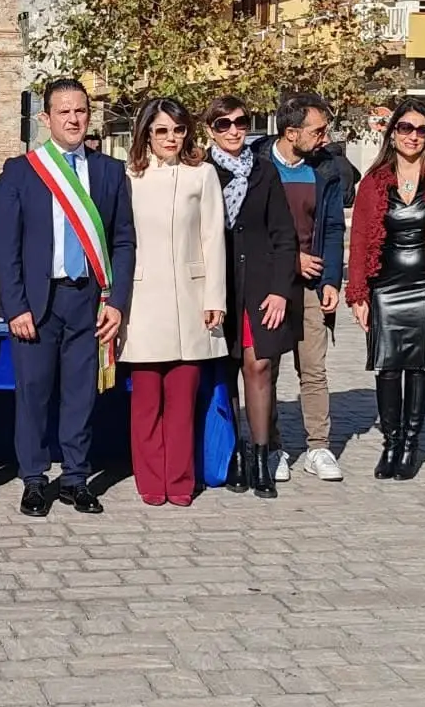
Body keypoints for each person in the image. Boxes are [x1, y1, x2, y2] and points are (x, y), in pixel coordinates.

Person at [0, 77, 136, 516]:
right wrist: (14, 305)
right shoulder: (21, 171)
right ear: (45, 118)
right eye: (64, 112)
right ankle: (34, 479)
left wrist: (117, 301)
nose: (74, 119)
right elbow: (4, 244)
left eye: (81, 111)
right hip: (37, 302)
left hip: (88, 299)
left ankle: (75, 477)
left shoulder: (109, 172)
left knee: (81, 394)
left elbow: (124, 241)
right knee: (32, 394)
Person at [121, 97, 226, 507]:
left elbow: (213, 237)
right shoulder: (128, 175)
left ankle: (181, 480)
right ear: (147, 131)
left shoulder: (202, 175)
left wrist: (215, 295)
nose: (170, 138)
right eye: (162, 130)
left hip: (190, 299)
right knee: (146, 402)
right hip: (143, 301)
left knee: (182, 402)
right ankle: (149, 479)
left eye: (178, 130)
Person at [345, 98, 425, 481]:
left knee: (420, 368)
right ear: (393, 133)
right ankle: (390, 442)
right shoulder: (373, 182)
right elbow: (359, 240)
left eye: (421, 130)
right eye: (405, 128)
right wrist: (358, 293)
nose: (413, 136)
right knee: (387, 368)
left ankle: (410, 444)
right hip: (386, 287)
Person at [207, 95, 298, 499]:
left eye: (240, 122)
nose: (233, 130)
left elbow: (284, 235)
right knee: (223, 371)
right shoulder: (202, 171)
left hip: (262, 286)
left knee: (258, 365)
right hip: (218, 285)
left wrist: (281, 291)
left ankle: (263, 455)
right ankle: (234, 456)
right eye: (223, 124)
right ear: (210, 129)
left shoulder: (263, 172)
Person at [267, 93, 347, 483]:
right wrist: (289, 260)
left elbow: (332, 227)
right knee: (268, 368)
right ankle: (273, 447)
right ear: (290, 132)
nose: (324, 137)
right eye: (317, 130)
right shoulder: (260, 167)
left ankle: (319, 447)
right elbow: (252, 230)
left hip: (313, 285)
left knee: (313, 369)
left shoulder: (326, 170)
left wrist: (332, 277)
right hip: (269, 285)